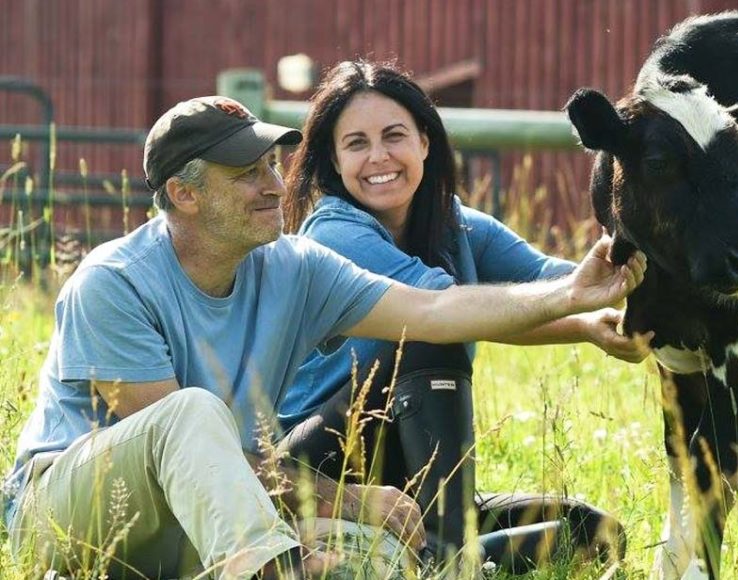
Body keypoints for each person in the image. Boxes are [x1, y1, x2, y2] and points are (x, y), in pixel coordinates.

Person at [0, 95, 645, 579]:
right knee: (194, 415)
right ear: (183, 194)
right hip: (70, 516)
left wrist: (571, 298)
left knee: (386, 558)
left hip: (209, 521)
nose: (276, 186)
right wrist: (349, 497)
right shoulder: (112, 284)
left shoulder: (293, 269)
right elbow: (185, 454)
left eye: (273, 166)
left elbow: (431, 313)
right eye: (247, 174)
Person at [277, 60, 653, 574]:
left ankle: (439, 555)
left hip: (419, 482)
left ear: (425, 143)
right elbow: (443, 310)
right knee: (429, 337)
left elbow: (549, 277)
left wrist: (624, 278)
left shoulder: (454, 223)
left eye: (394, 136)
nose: (379, 156)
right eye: (357, 143)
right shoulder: (334, 233)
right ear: (335, 160)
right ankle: (453, 560)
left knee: (594, 534)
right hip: (321, 465)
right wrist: (575, 302)